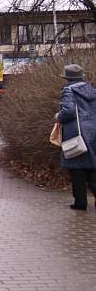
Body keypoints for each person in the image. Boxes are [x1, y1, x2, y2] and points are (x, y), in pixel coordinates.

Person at [55, 64, 96, 210]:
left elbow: (69, 111)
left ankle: (80, 202)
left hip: (76, 133)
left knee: (77, 168)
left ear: (67, 78)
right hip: (93, 132)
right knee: (93, 167)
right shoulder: (92, 90)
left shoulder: (69, 90)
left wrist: (58, 117)